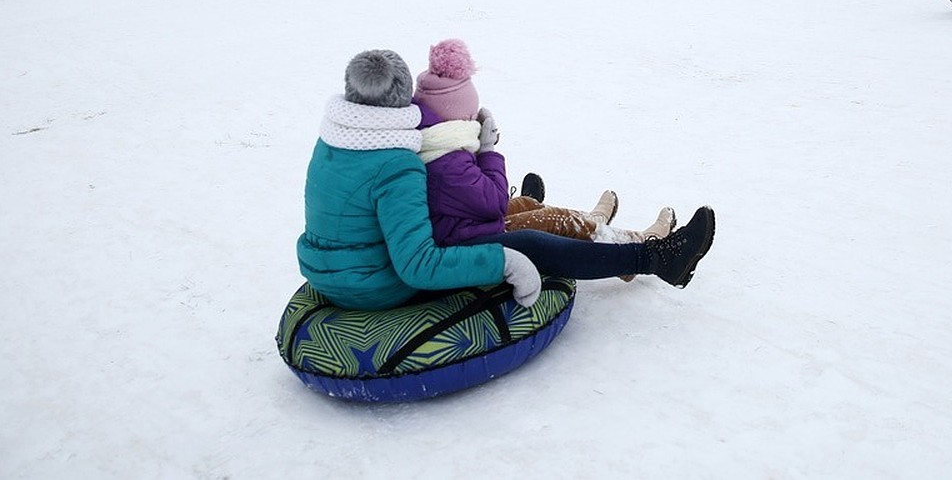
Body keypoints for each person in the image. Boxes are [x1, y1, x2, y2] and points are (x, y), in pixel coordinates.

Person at [296, 48, 717, 311]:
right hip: (375, 286)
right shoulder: (396, 164)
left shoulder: (333, 143)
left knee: (516, 222)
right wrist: (505, 261)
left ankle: (600, 233)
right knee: (530, 244)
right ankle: (655, 258)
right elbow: (418, 266)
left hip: (334, 272)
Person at [412, 39, 676, 250]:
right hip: (466, 241)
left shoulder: (436, 141)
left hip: (460, 226)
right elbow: (495, 202)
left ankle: (591, 224)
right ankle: (639, 244)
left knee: (529, 204)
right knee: (553, 220)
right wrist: (487, 150)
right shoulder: (448, 160)